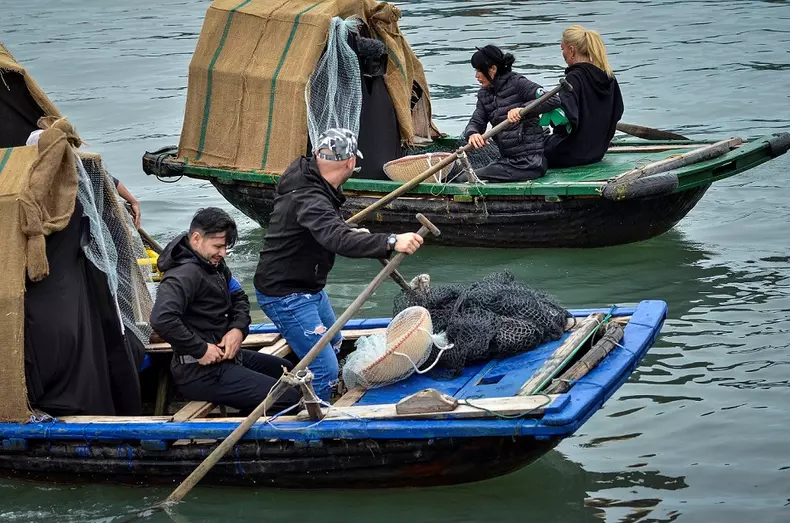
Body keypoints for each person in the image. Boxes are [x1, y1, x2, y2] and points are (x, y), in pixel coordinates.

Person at [254, 128, 424, 402]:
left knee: (334, 342)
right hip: (286, 295)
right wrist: (391, 241)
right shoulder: (310, 196)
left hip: (309, 287)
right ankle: (313, 424)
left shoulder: (313, 182)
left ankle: (326, 392)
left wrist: (350, 231)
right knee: (324, 367)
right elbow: (336, 239)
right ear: (349, 163)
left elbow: (326, 229)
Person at [150, 207, 300, 414]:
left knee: (289, 371)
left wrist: (237, 329)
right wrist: (200, 349)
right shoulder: (182, 276)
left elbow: (239, 297)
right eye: (218, 246)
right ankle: (246, 435)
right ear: (196, 239)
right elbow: (162, 319)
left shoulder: (215, 266)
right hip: (199, 372)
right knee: (289, 398)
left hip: (229, 358)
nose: (223, 253)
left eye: (226, 246)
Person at [462, 45, 561, 182]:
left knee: (466, 178)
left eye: (479, 70)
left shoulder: (517, 83)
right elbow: (476, 121)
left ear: (493, 69)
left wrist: (523, 110)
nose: (476, 76)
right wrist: (472, 133)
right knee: (465, 176)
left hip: (530, 163)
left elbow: (553, 99)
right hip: (507, 161)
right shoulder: (484, 94)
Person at [543, 25, 624, 168]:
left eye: (563, 49)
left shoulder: (573, 80)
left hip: (570, 155)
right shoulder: (610, 77)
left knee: (532, 146)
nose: (563, 54)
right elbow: (618, 111)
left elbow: (565, 120)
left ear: (571, 49)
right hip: (597, 153)